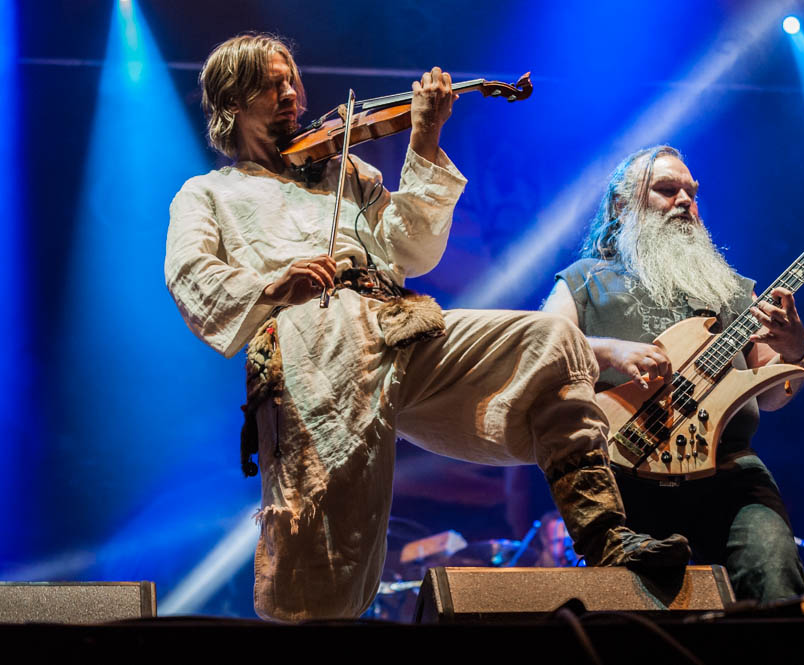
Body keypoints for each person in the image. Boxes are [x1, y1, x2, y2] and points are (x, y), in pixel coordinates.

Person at [165, 34, 688, 621]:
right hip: (312, 347)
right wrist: (274, 287)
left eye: (293, 79)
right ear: (231, 101)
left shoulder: (344, 172)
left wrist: (424, 138)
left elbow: (411, 249)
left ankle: (605, 537)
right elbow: (191, 275)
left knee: (551, 339)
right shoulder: (209, 193)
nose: (293, 94)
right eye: (272, 83)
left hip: (398, 324)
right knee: (326, 533)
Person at [542, 145, 804, 602]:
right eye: (667, 190)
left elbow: (772, 395)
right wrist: (609, 350)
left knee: (776, 574)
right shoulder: (586, 279)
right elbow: (540, 350)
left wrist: (794, 349)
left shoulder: (728, 288)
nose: (685, 200)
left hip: (731, 472)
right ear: (622, 206)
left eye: (692, 192)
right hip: (626, 475)